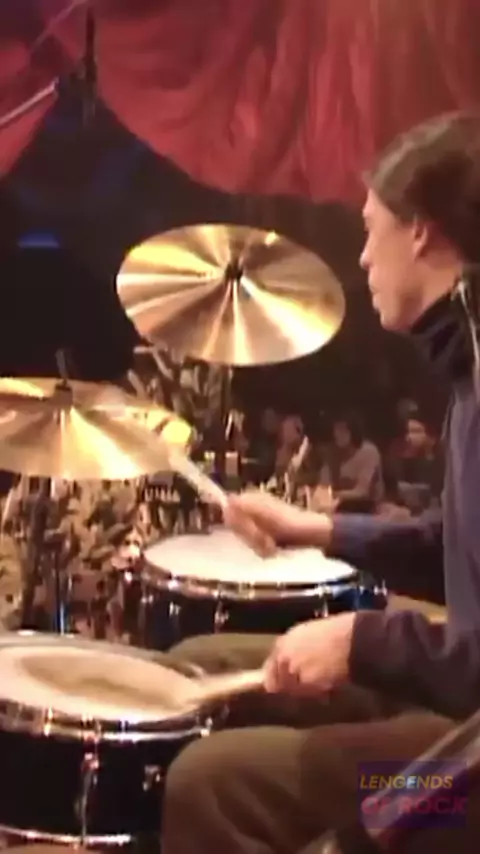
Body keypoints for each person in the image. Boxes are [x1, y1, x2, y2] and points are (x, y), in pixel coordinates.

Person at [161, 112, 480, 854]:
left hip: (463, 776)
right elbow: (456, 545)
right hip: (456, 698)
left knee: (214, 781)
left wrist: (361, 640)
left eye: (370, 230)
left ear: (421, 232)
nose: (362, 256)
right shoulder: (466, 372)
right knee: (194, 673)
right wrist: (320, 530)